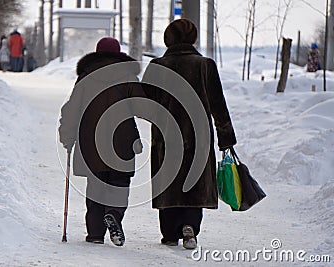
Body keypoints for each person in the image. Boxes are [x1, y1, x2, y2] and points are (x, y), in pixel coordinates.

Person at [142, 19, 237, 249]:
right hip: (199, 136)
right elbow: (218, 104)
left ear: (169, 39)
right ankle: (190, 228)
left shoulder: (158, 66)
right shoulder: (205, 65)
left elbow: (144, 102)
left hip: (166, 136)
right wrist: (226, 137)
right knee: (194, 180)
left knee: (169, 181)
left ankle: (170, 233)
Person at [58, 37, 144, 246]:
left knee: (96, 185)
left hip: (91, 140)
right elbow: (142, 106)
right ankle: (114, 214)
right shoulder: (128, 75)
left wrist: (67, 135)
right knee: (120, 183)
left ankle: (95, 233)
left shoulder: (86, 77)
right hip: (122, 140)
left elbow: (72, 109)